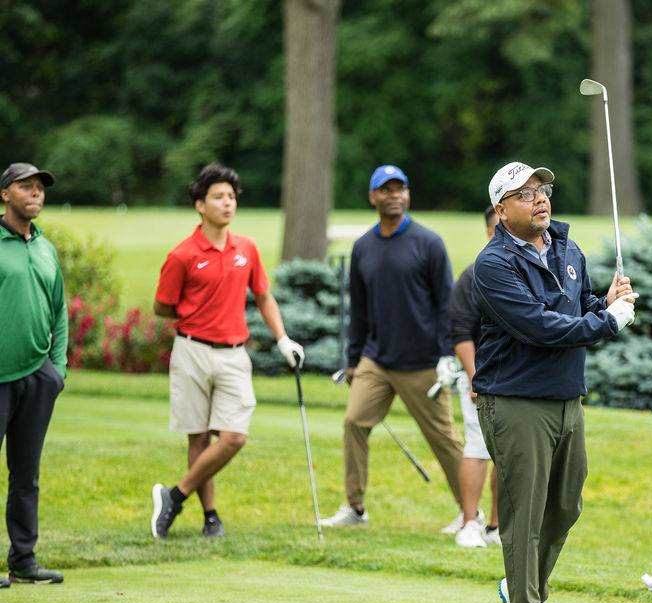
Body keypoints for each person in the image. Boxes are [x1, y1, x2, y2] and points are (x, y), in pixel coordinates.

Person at [474, 161, 636, 603]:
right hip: (516, 399)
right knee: (523, 515)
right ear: (502, 211)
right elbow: (540, 327)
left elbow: (575, 304)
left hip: (567, 396)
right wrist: (607, 321)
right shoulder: (494, 264)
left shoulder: (567, 248)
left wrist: (601, 301)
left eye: (543, 189)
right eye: (525, 194)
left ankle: (521, 584)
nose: (540, 198)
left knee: (565, 506)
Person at [151, 162, 304, 539]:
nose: (227, 203)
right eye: (218, 197)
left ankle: (174, 495)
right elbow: (162, 306)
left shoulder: (246, 249)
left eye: (232, 197)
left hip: (234, 353)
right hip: (192, 351)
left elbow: (264, 296)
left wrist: (282, 338)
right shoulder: (183, 255)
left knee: (233, 437)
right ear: (200, 205)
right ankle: (210, 518)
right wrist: (192, 313)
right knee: (199, 438)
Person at [322, 164, 465, 529]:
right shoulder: (363, 247)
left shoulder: (428, 243)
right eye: (386, 190)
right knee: (354, 421)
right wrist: (354, 359)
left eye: (400, 189)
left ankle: (472, 514)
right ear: (373, 197)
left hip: (423, 362)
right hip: (377, 360)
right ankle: (355, 508)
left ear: (408, 194)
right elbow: (360, 309)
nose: (394, 195)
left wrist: (448, 354)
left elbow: (445, 304)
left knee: (445, 440)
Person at [0, 162, 67, 586]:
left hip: (37, 376)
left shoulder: (45, 248)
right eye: (26, 187)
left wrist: (56, 370)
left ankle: (23, 560)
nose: (36, 194)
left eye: (40, 188)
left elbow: (59, 311)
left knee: (26, 473)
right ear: (5, 194)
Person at [451, 207, 500, 548]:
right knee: (477, 445)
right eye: (498, 228)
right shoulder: (472, 276)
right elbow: (461, 333)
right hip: (478, 374)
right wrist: (473, 377)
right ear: (488, 232)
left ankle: (497, 527)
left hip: (515, 377)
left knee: (508, 454)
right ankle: (470, 523)